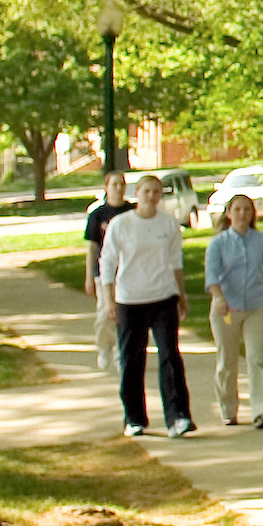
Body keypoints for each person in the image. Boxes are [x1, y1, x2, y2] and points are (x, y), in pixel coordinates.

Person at [97, 175, 195, 438]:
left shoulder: (168, 222)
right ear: (137, 193)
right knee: (132, 358)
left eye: (156, 192)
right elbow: (106, 262)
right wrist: (108, 298)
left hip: (163, 296)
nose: (151, 196)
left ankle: (178, 417)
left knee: (169, 355)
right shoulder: (121, 224)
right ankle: (134, 417)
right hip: (130, 299)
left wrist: (181, 295)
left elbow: (176, 260)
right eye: (146, 191)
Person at [203, 193, 263, 429]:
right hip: (226, 308)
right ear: (229, 214)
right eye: (237, 210)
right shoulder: (218, 243)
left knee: (257, 358)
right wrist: (218, 298)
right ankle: (228, 409)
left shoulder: (262, 240)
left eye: (247, 210)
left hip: (257, 306)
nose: (242, 214)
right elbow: (212, 276)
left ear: (252, 214)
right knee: (227, 361)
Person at [82, 171, 135, 373]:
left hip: (129, 270)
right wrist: (89, 276)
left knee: (127, 313)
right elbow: (92, 248)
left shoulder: (132, 212)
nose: (119, 188)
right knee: (106, 313)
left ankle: (123, 350)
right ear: (106, 187)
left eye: (122, 184)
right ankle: (104, 347)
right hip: (104, 273)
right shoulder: (98, 215)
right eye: (114, 184)